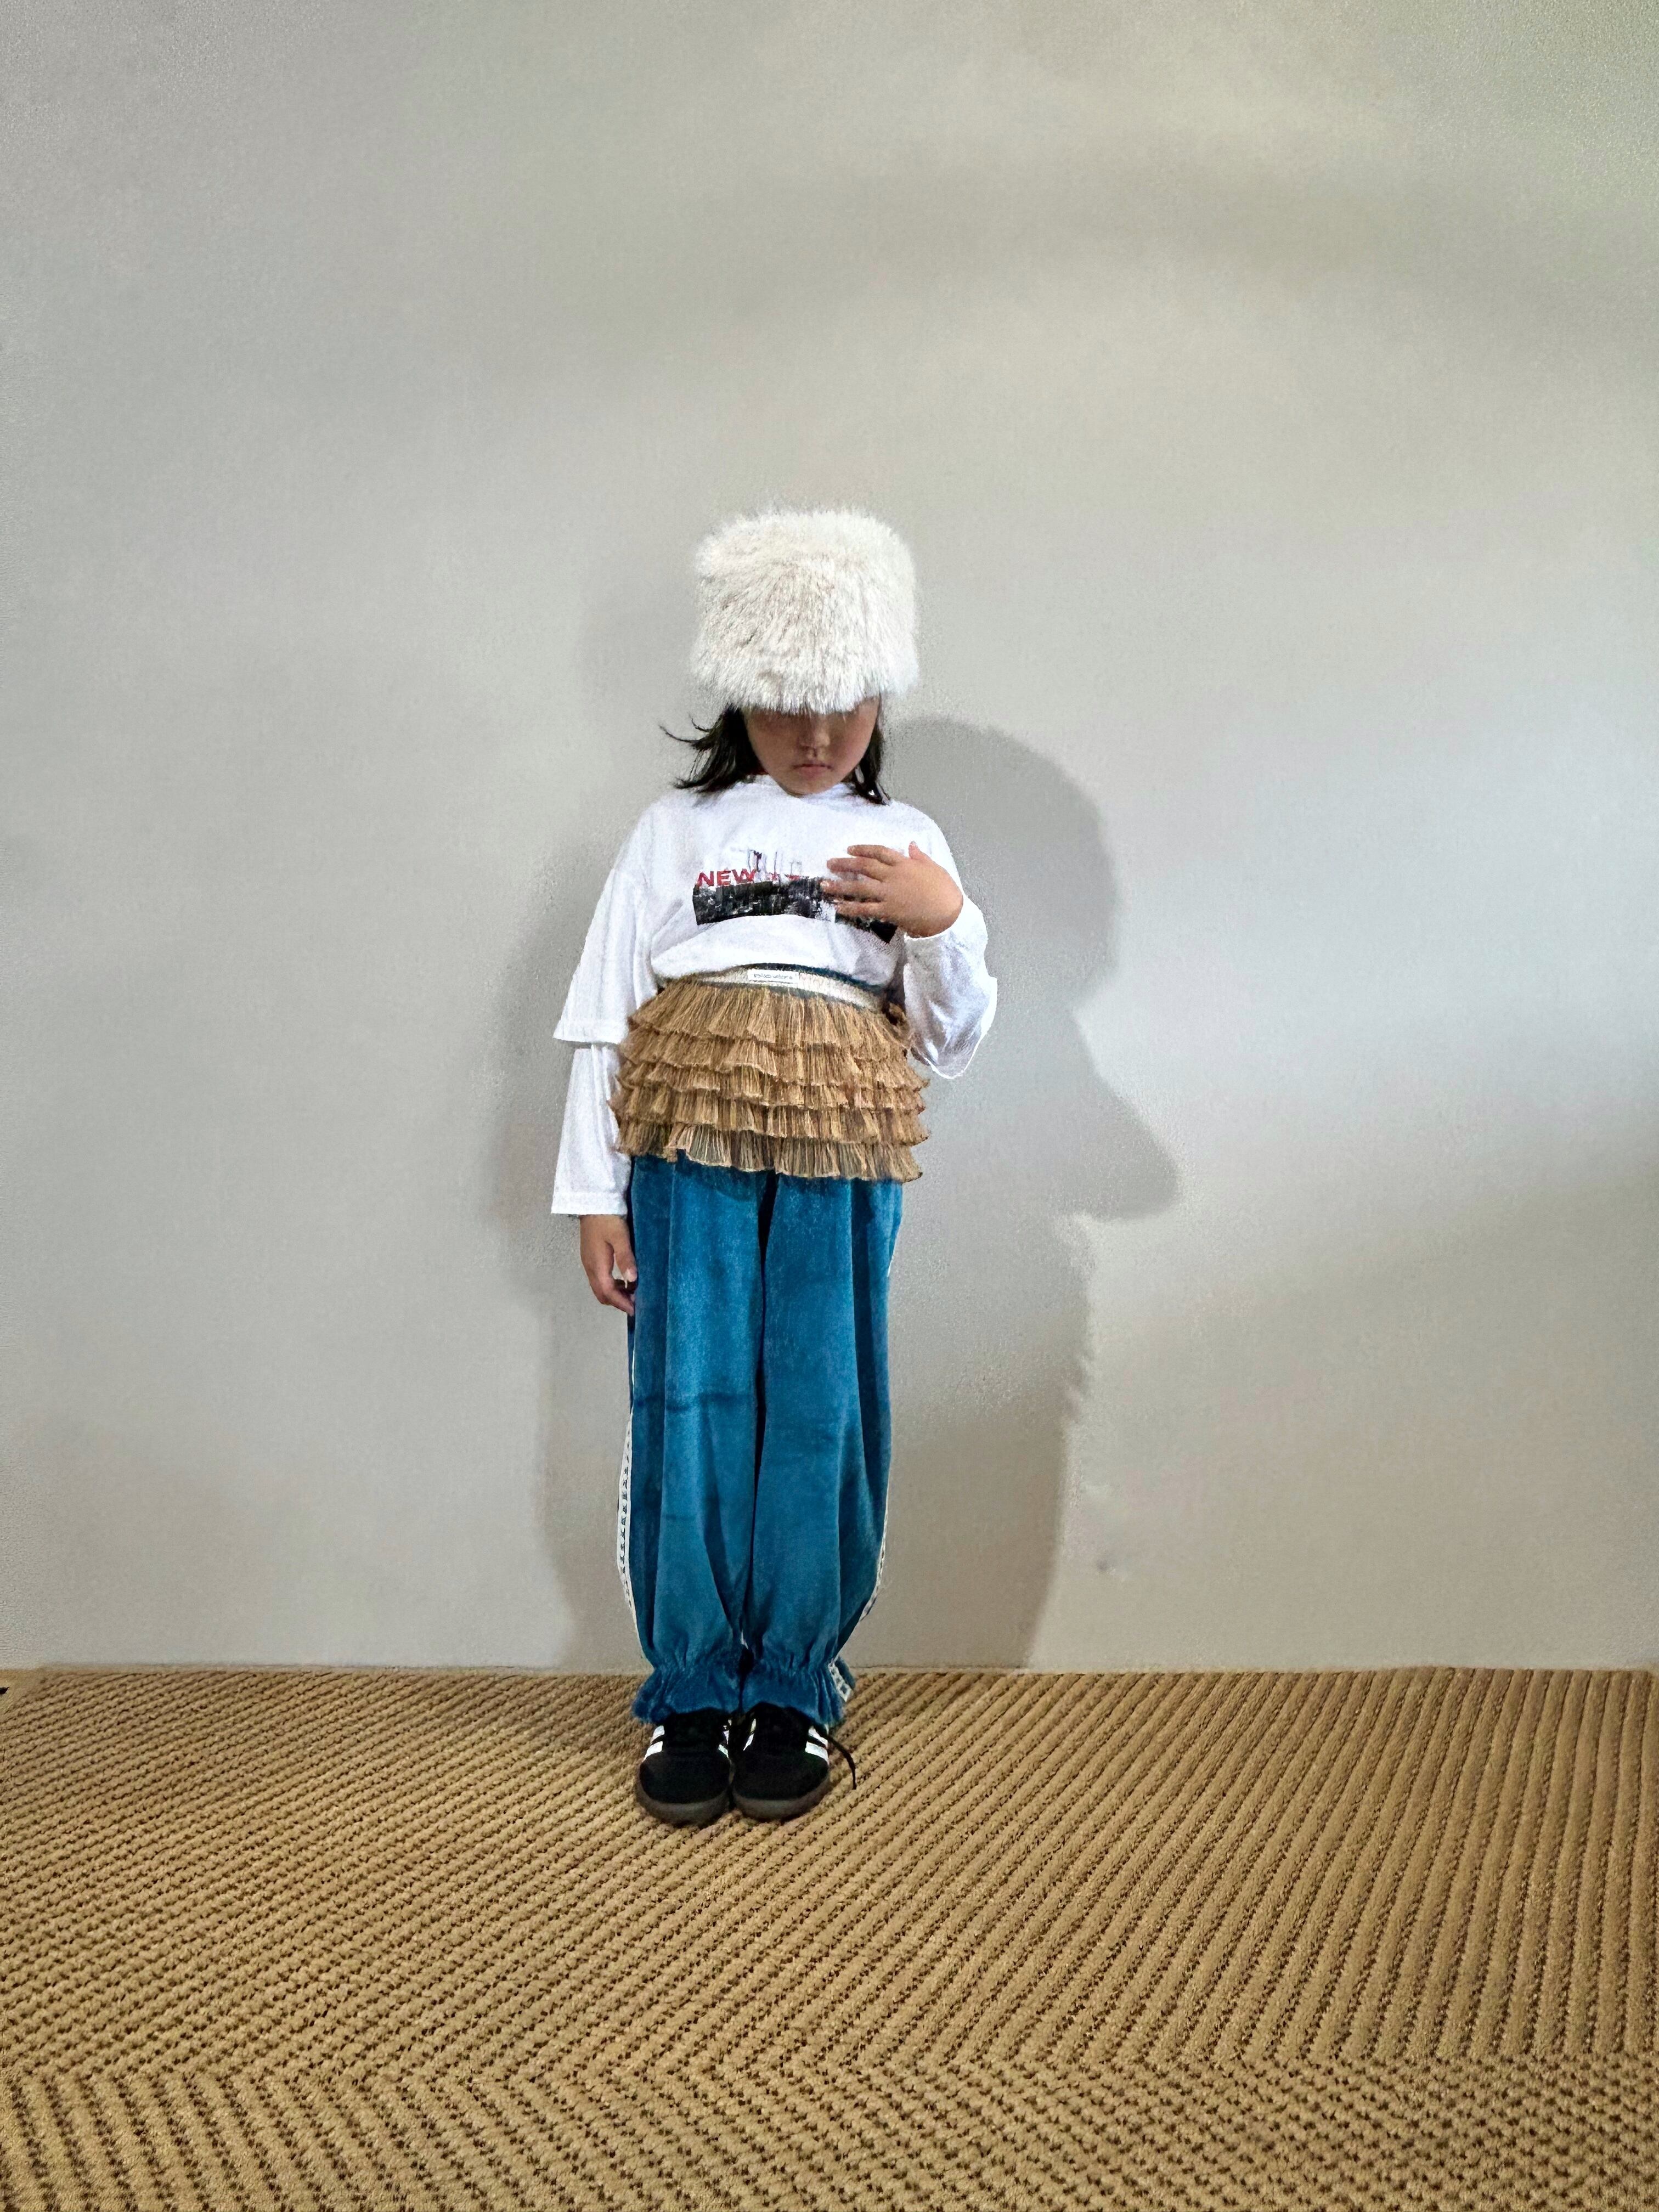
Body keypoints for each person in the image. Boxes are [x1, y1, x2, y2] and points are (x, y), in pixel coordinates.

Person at [550, 505, 997, 1827]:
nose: (815, 733)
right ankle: (694, 1686)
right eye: (786, 702)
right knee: (691, 1390)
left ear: (882, 695)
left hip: (841, 1150)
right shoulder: (674, 832)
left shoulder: (907, 841)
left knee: (819, 1396)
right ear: (739, 694)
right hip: (685, 1141)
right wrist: (593, 1194)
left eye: (844, 702)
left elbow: (950, 1044)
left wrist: (945, 923)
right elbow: (605, 1016)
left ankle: (793, 1682)